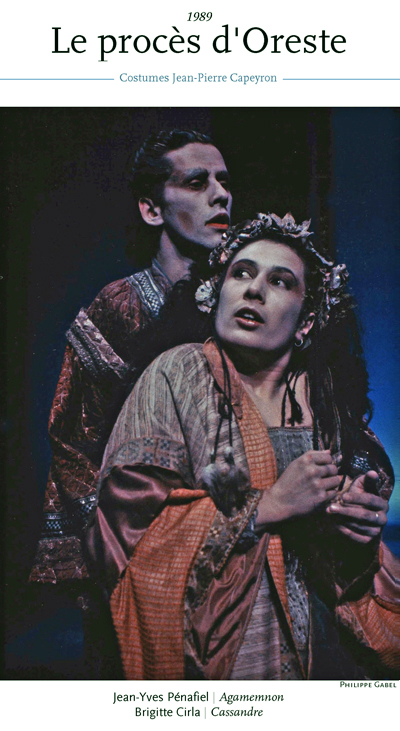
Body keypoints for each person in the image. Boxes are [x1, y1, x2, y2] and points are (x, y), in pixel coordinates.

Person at [86, 212, 400, 680]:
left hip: (325, 647)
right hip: (227, 656)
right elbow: (123, 527)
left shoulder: (326, 400)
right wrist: (267, 506)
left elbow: (348, 550)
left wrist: (358, 527)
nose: (254, 290)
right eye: (242, 273)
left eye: (280, 281)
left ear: (306, 321)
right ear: (216, 293)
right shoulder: (178, 374)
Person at [30, 129, 232, 585]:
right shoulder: (121, 305)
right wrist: (116, 543)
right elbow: (73, 439)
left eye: (224, 181)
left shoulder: (242, 302)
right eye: (197, 182)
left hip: (232, 538)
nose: (221, 195)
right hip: (141, 548)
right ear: (151, 209)